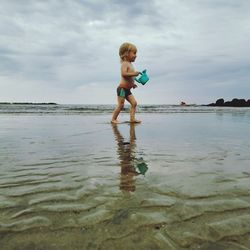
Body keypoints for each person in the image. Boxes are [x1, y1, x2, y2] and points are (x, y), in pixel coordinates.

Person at [111, 42, 141, 124]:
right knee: (121, 105)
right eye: (134, 53)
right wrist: (134, 73)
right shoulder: (125, 64)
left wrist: (133, 84)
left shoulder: (131, 65)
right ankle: (113, 119)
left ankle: (132, 119)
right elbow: (123, 74)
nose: (136, 55)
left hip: (127, 89)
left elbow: (129, 77)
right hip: (122, 89)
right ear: (126, 53)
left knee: (134, 103)